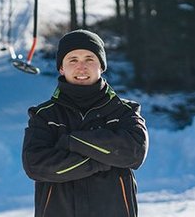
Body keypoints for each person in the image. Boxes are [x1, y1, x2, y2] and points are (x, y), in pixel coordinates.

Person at [22, 29, 149, 217]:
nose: (81, 67)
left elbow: (134, 153)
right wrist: (100, 162)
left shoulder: (124, 111)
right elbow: (35, 165)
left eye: (89, 59)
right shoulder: (45, 116)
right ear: (61, 68)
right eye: (73, 60)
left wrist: (71, 142)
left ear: (101, 66)